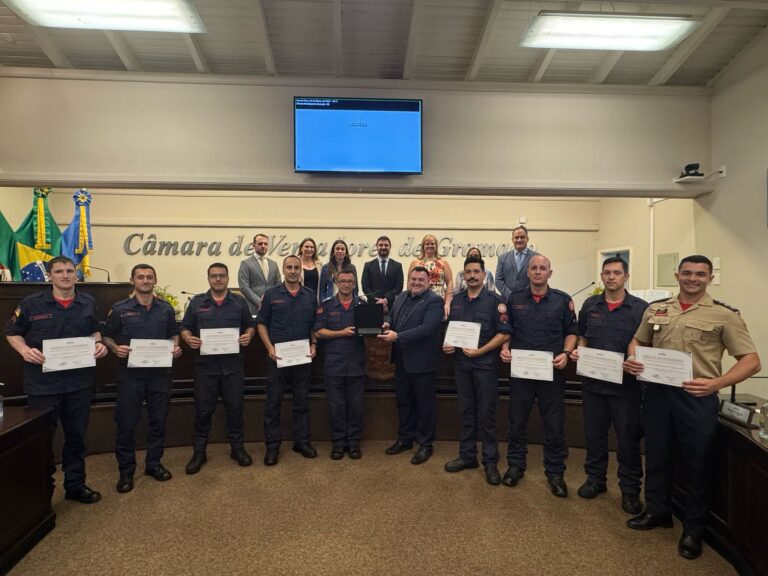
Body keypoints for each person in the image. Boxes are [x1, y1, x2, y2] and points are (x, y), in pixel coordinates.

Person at [624, 255, 760, 560]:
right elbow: (637, 340)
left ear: (709, 278)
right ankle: (657, 511)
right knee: (657, 454)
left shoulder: (725, 315)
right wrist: (634, 358)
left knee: (696, 463)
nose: (692, 278)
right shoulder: (658, 309)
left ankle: (693, 530)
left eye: (700, 274)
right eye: (687, 273)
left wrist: (717, 383)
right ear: (677, 275)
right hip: (658, 394)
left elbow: (751, 361)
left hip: (697, 397)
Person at [5, 255, 108, 504]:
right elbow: (12, 332)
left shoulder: (88, 302)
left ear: (76, 274)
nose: (65, 275)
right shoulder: (32, 304)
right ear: (50, 275)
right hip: (43, 385)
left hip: (78, 383)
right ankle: (43, 490)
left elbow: (95, 330)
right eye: (59, 271)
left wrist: (99, 344)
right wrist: (23, 350)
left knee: (76, 437)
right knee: (43, 439)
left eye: (69, 271)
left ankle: (75, 485)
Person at [569, 257, 647, 513]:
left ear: (626, 276)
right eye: (607, 273)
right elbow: (583, 336)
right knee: (594, 436)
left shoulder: (640, 309)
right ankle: (595, 480)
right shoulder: (590, 305)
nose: (611, 277)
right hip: (593, 385)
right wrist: (579, 351)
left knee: (627, 440)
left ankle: (630, 489)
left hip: (626, 389)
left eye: (617, 273)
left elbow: (646, 343)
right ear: (601, 277)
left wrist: (636, 359)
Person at [500, 255, 578, 497]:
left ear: (550, 273)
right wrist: (504, 348)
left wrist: (566, 353)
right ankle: (515, 466)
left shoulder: (563, 301)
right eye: (533, 268)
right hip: (521, 372)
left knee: (554, 424)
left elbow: (572, 332)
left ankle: (555, 473)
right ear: (527, 272)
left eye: (542, 268)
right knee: (517, 421)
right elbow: (506, 331)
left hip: (551, 372)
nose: (537, 272)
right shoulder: (514, 299)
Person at [103, 263, 182, 493]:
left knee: (158, 420)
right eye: (141, 277)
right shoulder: (119, 309)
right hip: (131, 376)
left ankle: (153, 464)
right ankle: (126, 471)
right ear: (133, 281)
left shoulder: (165, 309)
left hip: (159, 375)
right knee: (127, 424)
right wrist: (115, 348)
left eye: (149, 277)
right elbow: (107, 335)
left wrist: (175, 348)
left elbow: (173, 334)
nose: (145, 281)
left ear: (155, 280)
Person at [180, 262, 256, 474]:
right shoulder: (196, 303)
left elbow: (250, 324)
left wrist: (248, 335)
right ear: (208, 278)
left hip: (233, 367)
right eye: (214, 276)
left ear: (227, 277)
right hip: (206, 368)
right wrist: (188, 338)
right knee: (203, 411)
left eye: (222, 275)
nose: (218, 279)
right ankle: (199, 452)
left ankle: (238, 449)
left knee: (235, 409)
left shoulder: (239, 302)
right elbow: (185, 327)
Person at [442, 256, 509, 485]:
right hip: (462, 367)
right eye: (468, 272)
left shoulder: (495, 302)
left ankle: (490, 462)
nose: (471, 275)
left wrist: (482, 350)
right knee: (466, 412)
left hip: (485, 367)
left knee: (487, 415)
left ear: (483, 274)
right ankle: (467, 456)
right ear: (463, 275)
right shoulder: (457, 301)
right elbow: (452, 330)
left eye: (476, 272)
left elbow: (504, 333)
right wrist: (447, 344)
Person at [378, 266, 443, 465]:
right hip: (401, 361)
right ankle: (405, 439)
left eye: (420, 280)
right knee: (404, 402)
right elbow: (393, 317)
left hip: (422, 363)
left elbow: (428, 328)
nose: (415, 282)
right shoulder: (401, 296)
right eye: (413, 279)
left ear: (428, 281)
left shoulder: (434, 300)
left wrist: (398, 336)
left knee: (424, 405)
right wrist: (389, 323)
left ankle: (425, 444)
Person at [257, 255, 319, 465]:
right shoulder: (271, 294)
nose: (293, 271)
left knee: (301, 401)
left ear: (301, 270)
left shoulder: (310, 296)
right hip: (278, 358)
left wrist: (314, 345)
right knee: (273, 403)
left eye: (296, 267)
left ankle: (301, 442)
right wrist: (269, 347)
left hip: (302, 358)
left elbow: (314, 325)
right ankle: (272, 447)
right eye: (289, 267)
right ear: (283, 270)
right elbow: (261, 323)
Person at [314, 268, 367, 459]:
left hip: (356, 364)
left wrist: (380, 325)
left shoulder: (362, 305)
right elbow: (319, 332)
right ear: (337, 282)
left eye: (349, 281)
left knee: (356, 406)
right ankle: (338, 443)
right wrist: (341, 333)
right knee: (336, 406)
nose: (346, 284)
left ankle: (353, 443)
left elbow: (370, 330)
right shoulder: (326, 306)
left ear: (354, 284)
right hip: (334, 365)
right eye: (342, 281)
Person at [408, 234, 453, 318]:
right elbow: (410, 282)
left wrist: (447, 302)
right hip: (419, 297)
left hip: (439, 298)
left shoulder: (443, 262)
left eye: (432, 243)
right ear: (423, 246)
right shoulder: (415, 262)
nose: (430, 246)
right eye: (427, 244)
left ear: (436, 246)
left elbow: (450, 282)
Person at [237, 233, 281, 315]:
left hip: (273, 307)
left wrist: (274, 300)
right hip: (253, 307)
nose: (263, 246)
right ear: (254, 245)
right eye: (260, 244)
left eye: (266, 244)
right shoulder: (246, 263)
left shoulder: (273, 264)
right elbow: (244, 286)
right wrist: (259, 302)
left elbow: (278, 283)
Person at [361, 235, 404, 312]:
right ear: (376, 247)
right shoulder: (368, 265)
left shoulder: (397, 266)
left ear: (390, 247)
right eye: (380, 245)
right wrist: (378, 300)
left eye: (386, 245)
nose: (383, 247)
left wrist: (386, 299)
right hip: (372, 305)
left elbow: (399, 287)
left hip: (391, 306)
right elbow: (365, 286)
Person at [496, 226, 538, 299]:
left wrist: (524, 295)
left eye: (522, 237)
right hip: (507, 300)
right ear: (512, 239)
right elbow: (498, 280)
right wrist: (511, 296)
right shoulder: (502, 258)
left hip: (529, 300)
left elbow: (537, 278)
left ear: (527, 239)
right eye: (516, 237)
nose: (519, 240)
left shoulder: (536, 258)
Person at [319, 239, 359, 303]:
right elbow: (322, 290)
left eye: (342, 249)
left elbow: (355, 288)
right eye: (337, 249)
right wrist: (322, 304)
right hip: (330, 302)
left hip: (348, 301)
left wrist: (355, 303)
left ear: (346, 253)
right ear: (333, 252)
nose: (340, 251)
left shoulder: (352, 268)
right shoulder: (326, 268)